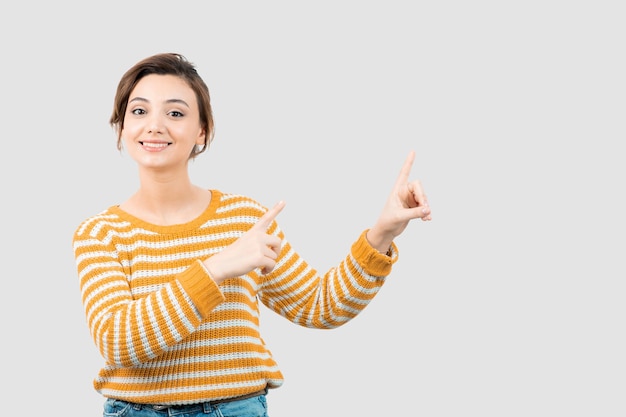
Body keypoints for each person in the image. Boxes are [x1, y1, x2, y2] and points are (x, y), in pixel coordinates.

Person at [72, 52, 432, 417]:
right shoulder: (100, 233)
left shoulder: (245, 218)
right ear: (121, 127)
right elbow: (117, 341)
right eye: (139, 111)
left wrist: (382, 233)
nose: (155, 125)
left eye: (176, 113)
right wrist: (214, 269)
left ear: (202, 131)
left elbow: (320, 306)